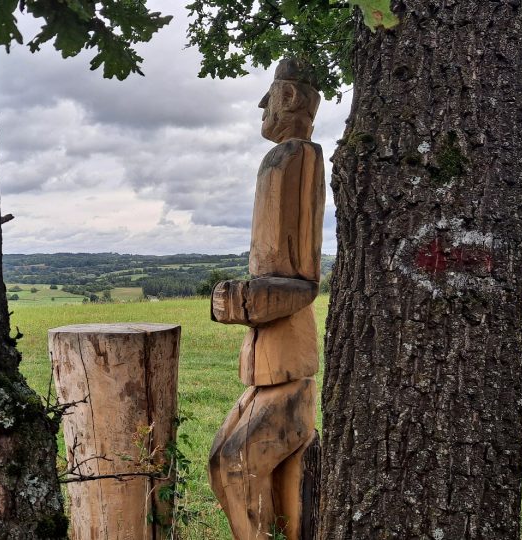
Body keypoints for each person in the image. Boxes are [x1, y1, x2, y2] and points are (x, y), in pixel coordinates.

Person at [208, 58, 325, 539]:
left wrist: (245, 301)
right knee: (224, 461)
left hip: (289, 370)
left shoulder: (298, 156)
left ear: (290, 97)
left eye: (270, 94)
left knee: (236, 465)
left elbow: (303, 280)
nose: (262, 105)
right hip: (266, 372)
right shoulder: (280, 159)